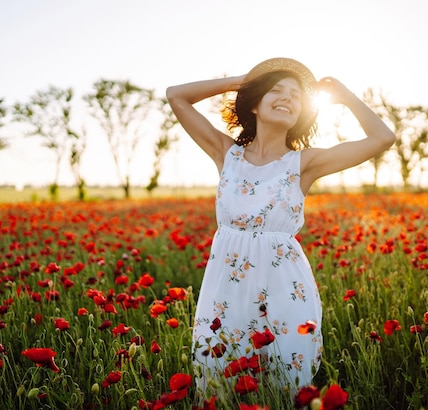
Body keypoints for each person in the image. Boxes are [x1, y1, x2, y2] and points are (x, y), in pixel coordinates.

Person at [166, 58, 396, 399]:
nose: (287, 96)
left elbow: (383, 138)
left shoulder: (304, 163)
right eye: (275, 90)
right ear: (256, 103)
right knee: (221, 380)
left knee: (282, 382)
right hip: (226, 291)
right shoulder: (227, 154)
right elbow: (176, 96)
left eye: (296, 95)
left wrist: (345, 96)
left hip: (283, 289)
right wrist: (243, 81)